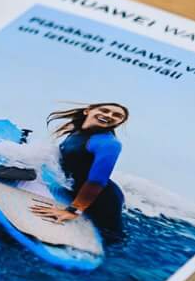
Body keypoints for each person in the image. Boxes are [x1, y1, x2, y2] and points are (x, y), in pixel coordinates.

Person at [28, 102, 129, 241]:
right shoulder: (77, 131)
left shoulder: (109, 143)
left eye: (117, 115)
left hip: (102, 201)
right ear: (88, 111)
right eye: (105, 110)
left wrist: (73, 211)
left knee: (112, 239)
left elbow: (97, 181)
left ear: (119, 123)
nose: (109, 115)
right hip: (76, 190)